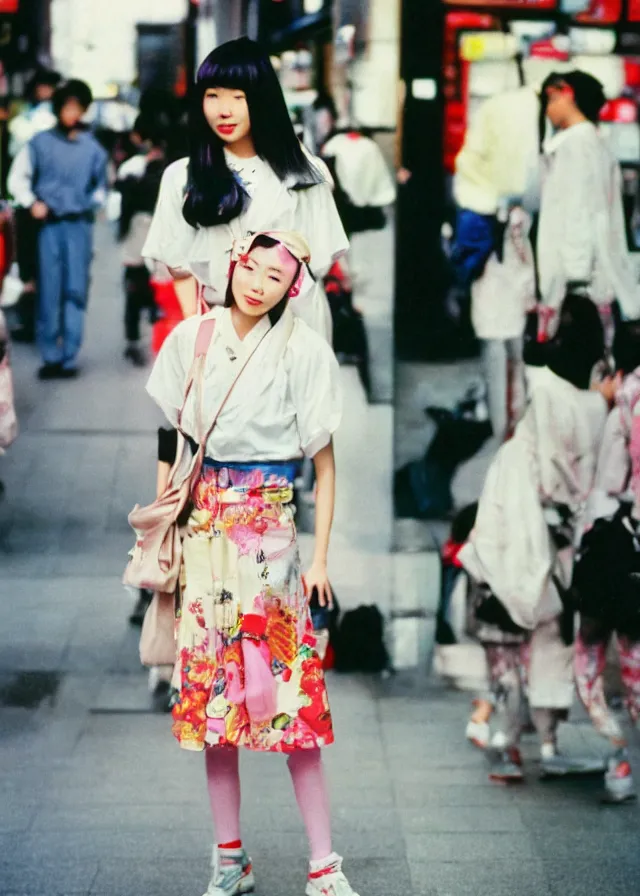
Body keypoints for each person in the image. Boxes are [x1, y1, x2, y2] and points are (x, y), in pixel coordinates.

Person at [145, 230, 359, 896]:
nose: (259, 282)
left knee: (290, 702)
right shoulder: (193, 338)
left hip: (271, 533)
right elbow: (172, 439)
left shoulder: (303, 348)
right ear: (233, 264)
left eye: (277, 274)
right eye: (252, 267)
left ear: (293, 286)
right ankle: (229, 858)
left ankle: (324, 865)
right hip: (205, 532)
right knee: (215, 711)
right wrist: (163, 534)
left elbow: (324, 465)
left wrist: (321, 557)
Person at [459, 295, 616, 782]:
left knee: (506, 625)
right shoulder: (591, 399)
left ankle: (508, 737)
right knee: (551, 628)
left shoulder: (542, 383)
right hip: (552, 527)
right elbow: (572, 477)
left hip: (508, 514)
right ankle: (541, 739)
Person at [142, 37, 348, 339]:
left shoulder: (303, 172)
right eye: (212, 95)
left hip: (296, 328)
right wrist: (196, 338)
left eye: (238, 97)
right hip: (221, 334)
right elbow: (180, 270)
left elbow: (319, 262)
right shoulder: (182, 177)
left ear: (262, 100)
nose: (224, 110)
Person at [573, 321, 640, 803]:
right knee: (635, 658)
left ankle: (619, 754)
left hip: (621, 548)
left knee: (590, 650)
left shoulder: (625, 405)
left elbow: (609, 485)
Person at [7, 80, 108, 379]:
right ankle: (50, 354)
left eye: (78, 107)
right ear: (58, 108)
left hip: (78, 225)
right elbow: (18, 179)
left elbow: (101, 188)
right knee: (49, 288)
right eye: (68, 107)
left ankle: (69, 356)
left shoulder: (93, 150)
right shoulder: (38, 143)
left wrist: (89, 202)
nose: (73, 113)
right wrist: (31, 202)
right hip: (49, 226)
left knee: (75, 288)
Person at [537, 71, 640, 341]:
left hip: (578, 285)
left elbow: (579, 215)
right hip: (588, 284)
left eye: (551, 98)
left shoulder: (578, 145)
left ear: (568, 94)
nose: (547, 109)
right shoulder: (594, 144)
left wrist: (573, 282)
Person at [7, 68, 61, 343]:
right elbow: (17, 169)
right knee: (29, 267)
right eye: (43, 87)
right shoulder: (24, 120)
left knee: (50, 268)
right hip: (28, 207)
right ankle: (32, 324)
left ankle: (46, 324)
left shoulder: (54, 121)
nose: (47, 93)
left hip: (52, 208)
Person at [115, 114, 168, 367]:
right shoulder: (174, 163)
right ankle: (147, 341)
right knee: (154, 288)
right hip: (157, 231)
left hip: (141, 229)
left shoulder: (131, 167)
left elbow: (120, 207)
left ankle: (135, 341)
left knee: (137, 288)